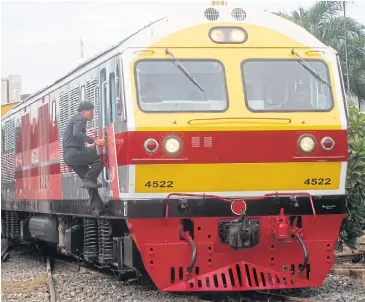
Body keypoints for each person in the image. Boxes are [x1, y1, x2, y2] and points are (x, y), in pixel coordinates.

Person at [63, 101, 106, 189]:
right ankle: (89, 179)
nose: (92, 115)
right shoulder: (80, 118)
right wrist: (95, 141)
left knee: (90, 184)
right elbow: (77, 133)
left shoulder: (75, 119)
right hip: (75, 154)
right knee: (103, 155)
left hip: (69, 157)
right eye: (91, 112)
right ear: (83, 112)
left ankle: (96, 203)